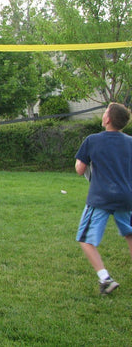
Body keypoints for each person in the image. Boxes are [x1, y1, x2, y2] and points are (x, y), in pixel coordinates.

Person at [74, 102, 132, 295]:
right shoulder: (130, 142)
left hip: (101, 197)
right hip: (126, 196)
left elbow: (79, 169)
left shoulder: (92, 140)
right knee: (129, 233)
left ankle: (105, 278)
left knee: (86, 240)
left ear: (107, 119)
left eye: (105, 111)